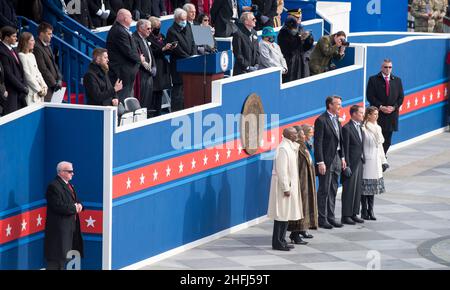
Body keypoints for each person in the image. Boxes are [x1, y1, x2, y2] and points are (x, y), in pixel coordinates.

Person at [314, 95, 347, 229]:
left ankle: (331, 217)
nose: (340, 106)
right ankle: (322, 219)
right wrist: (320, 162)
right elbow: (318, 143)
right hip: (326, 160)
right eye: (338, 104)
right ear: (330, 105)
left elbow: (341, 140)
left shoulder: (337, 120)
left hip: (337, 159)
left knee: (333, 189)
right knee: (324, 190)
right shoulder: (321, 120)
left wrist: (343, 157)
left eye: (340, 104)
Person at [268, 127, 303, 251]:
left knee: (286, 215)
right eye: (294, 133)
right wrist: (285, 188)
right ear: (287, 135)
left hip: (290, 186)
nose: (296, 135)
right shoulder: (283, 149)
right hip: (284, 188)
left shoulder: (291, 147)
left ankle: (282, 240)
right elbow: (281, 171)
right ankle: (277, 242)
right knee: (281, 215)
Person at [44, 161, 84, 270]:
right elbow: (57, 206)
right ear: (61, 172)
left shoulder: (69, 185)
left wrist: (80, 205)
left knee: (66, 257)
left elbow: (74, 200)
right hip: (59, 232)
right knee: (57, 261)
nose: (73, 173)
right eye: (70, 171)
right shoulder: (53, 187)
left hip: (70, 228)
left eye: (72, 171)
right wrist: (74, 208)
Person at [366, 59, 404, 155]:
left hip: (391, 115)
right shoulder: (373, 79)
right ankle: (378, 159)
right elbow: (370, 96)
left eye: (390, 67)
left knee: (387, 141)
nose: (388, 69)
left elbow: (401, 97)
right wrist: (381, 107)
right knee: (377, 139)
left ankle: (382, 158)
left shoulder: (397, 80)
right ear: (381, 67)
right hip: (378, 115)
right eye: (385, 67)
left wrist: (394, 107)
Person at [287, 125, 318, 243]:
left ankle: (301, 230)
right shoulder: (297, 148)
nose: (305, 136)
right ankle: (295, 234)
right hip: (300, 182)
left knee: (304, 207)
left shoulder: (303, 146)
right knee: (299, 208)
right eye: (303, 134)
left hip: (306, 181)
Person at [107, 9, 145, 103]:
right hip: (121, 72)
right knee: (123, 100)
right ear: (125, 18)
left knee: (127, 98)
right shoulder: (119, 31)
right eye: (130, 17)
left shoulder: (121, 29)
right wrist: (139, 59)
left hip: (126, 72)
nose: (132, 18)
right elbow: (128, 51)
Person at [166, 8, 196, 111]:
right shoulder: (171, 31)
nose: (184, 22)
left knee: (188, 89)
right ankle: (176, 111)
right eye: (182, 20)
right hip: (179, 64)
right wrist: (188, 58)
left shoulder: (188, 26)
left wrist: (193, 55)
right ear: (176, 19)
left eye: (185, 19)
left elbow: (193, 42)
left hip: (190, 62)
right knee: (178, 90)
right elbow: (177, 49)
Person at [361, 106, 388, 221]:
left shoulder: (378, 128)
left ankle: (370, 210)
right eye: (375, 114)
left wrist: (384, 161)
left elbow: (380, 146)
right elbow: (360, 145)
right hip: (367, 160)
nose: (377, 116)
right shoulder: (363, 128)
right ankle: (364, 210)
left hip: (376, 160)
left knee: (372, 188)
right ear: (368, 115)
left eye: (377, 114)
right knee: (365, 186)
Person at [341, 105, 365, 225]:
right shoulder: (347, 128)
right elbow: (344, 148)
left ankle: (354, 213)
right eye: (361, 113)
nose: (363, 115)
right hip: (351, 163)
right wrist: (347, 165)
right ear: (354, 114)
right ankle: (346, 215)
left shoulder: (360, 127)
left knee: (357, 190)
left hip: (359, 162)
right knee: (349, 190)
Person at [148, 16, 174, 116]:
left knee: (159, 92)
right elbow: (151, 52)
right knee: (154, 93)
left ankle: (158, 113)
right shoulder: (148, 38)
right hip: (155, 66)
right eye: (157, 27)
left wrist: (170, 48)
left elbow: (165, 48)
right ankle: (152, 114)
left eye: (159, 26)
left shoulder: (161, 36)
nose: (158, 29)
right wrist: (163, 49)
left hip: (163, 67)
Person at [0, 26, 28, 115]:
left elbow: (20, 69)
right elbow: (8, 74)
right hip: (11, 91)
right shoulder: (2, 51)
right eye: (14, 36)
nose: (16, 38)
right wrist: (22, 87)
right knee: (11, 117)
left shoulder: (13, 49)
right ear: (6, 37)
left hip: (19, 91)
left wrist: (24, 85)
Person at [277, 15, 314, 83]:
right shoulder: (283, 33)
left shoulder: (299, 29)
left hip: (302, 62)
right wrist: (299, 39)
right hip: (290, 63)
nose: (295, 30)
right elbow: (289, 49)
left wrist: (308, 38)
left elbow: (306, 47)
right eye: (293, 28)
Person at [33, 22, 63, 102]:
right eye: (49, 34)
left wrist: (59, 78)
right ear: (42, 34)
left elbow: (54, 64)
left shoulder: (48, 45)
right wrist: (53, 83)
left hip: (54, 84)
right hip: (47, 86)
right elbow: (42, 69)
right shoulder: (36, 47)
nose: (51, 36)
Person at [132, 19, 157, 113]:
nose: (150, 30)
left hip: (148, 75)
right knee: (142, 103)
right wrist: (150, 69)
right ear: (140, 29)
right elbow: (139, 57)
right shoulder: (134, 38)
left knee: (147, 103)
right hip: (141, 74)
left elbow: (150, 55)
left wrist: (154, 66)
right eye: (148, 28)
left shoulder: (144, 38)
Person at [18, 32, 48, 105]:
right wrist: (38, 89)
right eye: (31, 40)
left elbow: (38, 72)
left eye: (34, 40)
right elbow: (27, 75)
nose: (34, 42)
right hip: (31, 92)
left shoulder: (32, 55)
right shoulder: (21, 55)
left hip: (39, 91)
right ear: (25, 42)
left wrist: (44, 86)